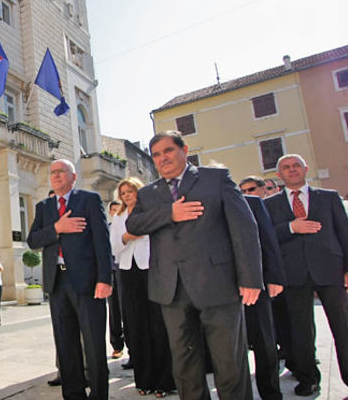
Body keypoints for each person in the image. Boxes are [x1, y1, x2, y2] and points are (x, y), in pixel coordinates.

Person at [125, 131, 263, 400]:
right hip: (171, 290)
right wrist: (170, 213)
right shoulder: (148, 193)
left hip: (217, 284)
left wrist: (250, 278)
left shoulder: (216, 179)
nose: (162, 158)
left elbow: (244, 229)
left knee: (229, 362)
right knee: (185, 364)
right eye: (156, 155)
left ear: (184, 150)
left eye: (168, 151)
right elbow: (134, 225)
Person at [263, 154, 348, 400]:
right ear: (279, 174)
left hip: (330, 270)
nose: (292, 170)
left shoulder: (328, 197)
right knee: (300, 331)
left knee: (344, 329)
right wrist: (291, 227)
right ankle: (308, 379)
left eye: (296, 166)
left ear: (305, 169)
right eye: (286, 167)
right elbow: (266, 238)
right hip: (293, 274)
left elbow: (344, 232)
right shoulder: (269, 204)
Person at [27, 158, 113, 400]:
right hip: (57, 283)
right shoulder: (44, 207)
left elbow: (102, 242)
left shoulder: (89, 200)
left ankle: (99, 394)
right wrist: (57, 228)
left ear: (73, 177)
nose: (56, 175)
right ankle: (73, 394)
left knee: (93, 342)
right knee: (65, 342)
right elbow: (33, 241)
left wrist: (105, 279)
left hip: (87, 282)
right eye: (52, 172)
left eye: (61, 171)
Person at [110, 177, 175, 397]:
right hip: (128, 271)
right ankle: (144, 380)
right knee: (136, 326)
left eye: (130, 191)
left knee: (158, 324)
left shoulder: (151, 211)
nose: (127, 195)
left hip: (151, 268)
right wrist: (128, 237)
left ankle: (164, 382)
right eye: (123, 193)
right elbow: (114, 246)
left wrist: (134, 235)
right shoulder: (118, 217)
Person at [239, 176, 287, 400]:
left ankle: (271, 394)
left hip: (256, 284)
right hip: (221, 288)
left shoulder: (253, 204)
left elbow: (268, 241)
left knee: (265, 343)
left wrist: (274, 276)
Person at [105, 200, 126, 361]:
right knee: (114, 310)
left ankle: (132, 346)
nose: (115, 211)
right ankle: (117, 345)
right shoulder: (107, 228)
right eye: (112, 209)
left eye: (118, 209)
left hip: (126, 271)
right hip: (111, 272)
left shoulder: (128, 226)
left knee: (127, 308)